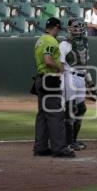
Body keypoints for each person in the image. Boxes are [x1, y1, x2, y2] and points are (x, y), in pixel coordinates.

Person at [32, 17, 75, 158]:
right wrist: (60, 67)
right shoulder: (51, 40)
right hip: (50, 80)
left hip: (40, 79)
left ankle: (40, 147)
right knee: (56, 115)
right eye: (58, 29)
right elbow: (48, 60)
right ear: (55, 28)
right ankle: (59, 148)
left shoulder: (40, 40)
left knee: (43, 115)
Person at [59, 17, 95, 151]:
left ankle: (73, 140)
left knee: (81, 109)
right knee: (70, 109)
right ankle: (67, 142)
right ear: (69, 29)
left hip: (80, 77)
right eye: (75, 27)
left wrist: (91, 84)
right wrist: (60, 82)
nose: (78, 29)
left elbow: (85, 66)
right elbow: (61, 65)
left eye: (79, 26)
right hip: (69, 76)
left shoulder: (85, 43)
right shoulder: (64, 44)